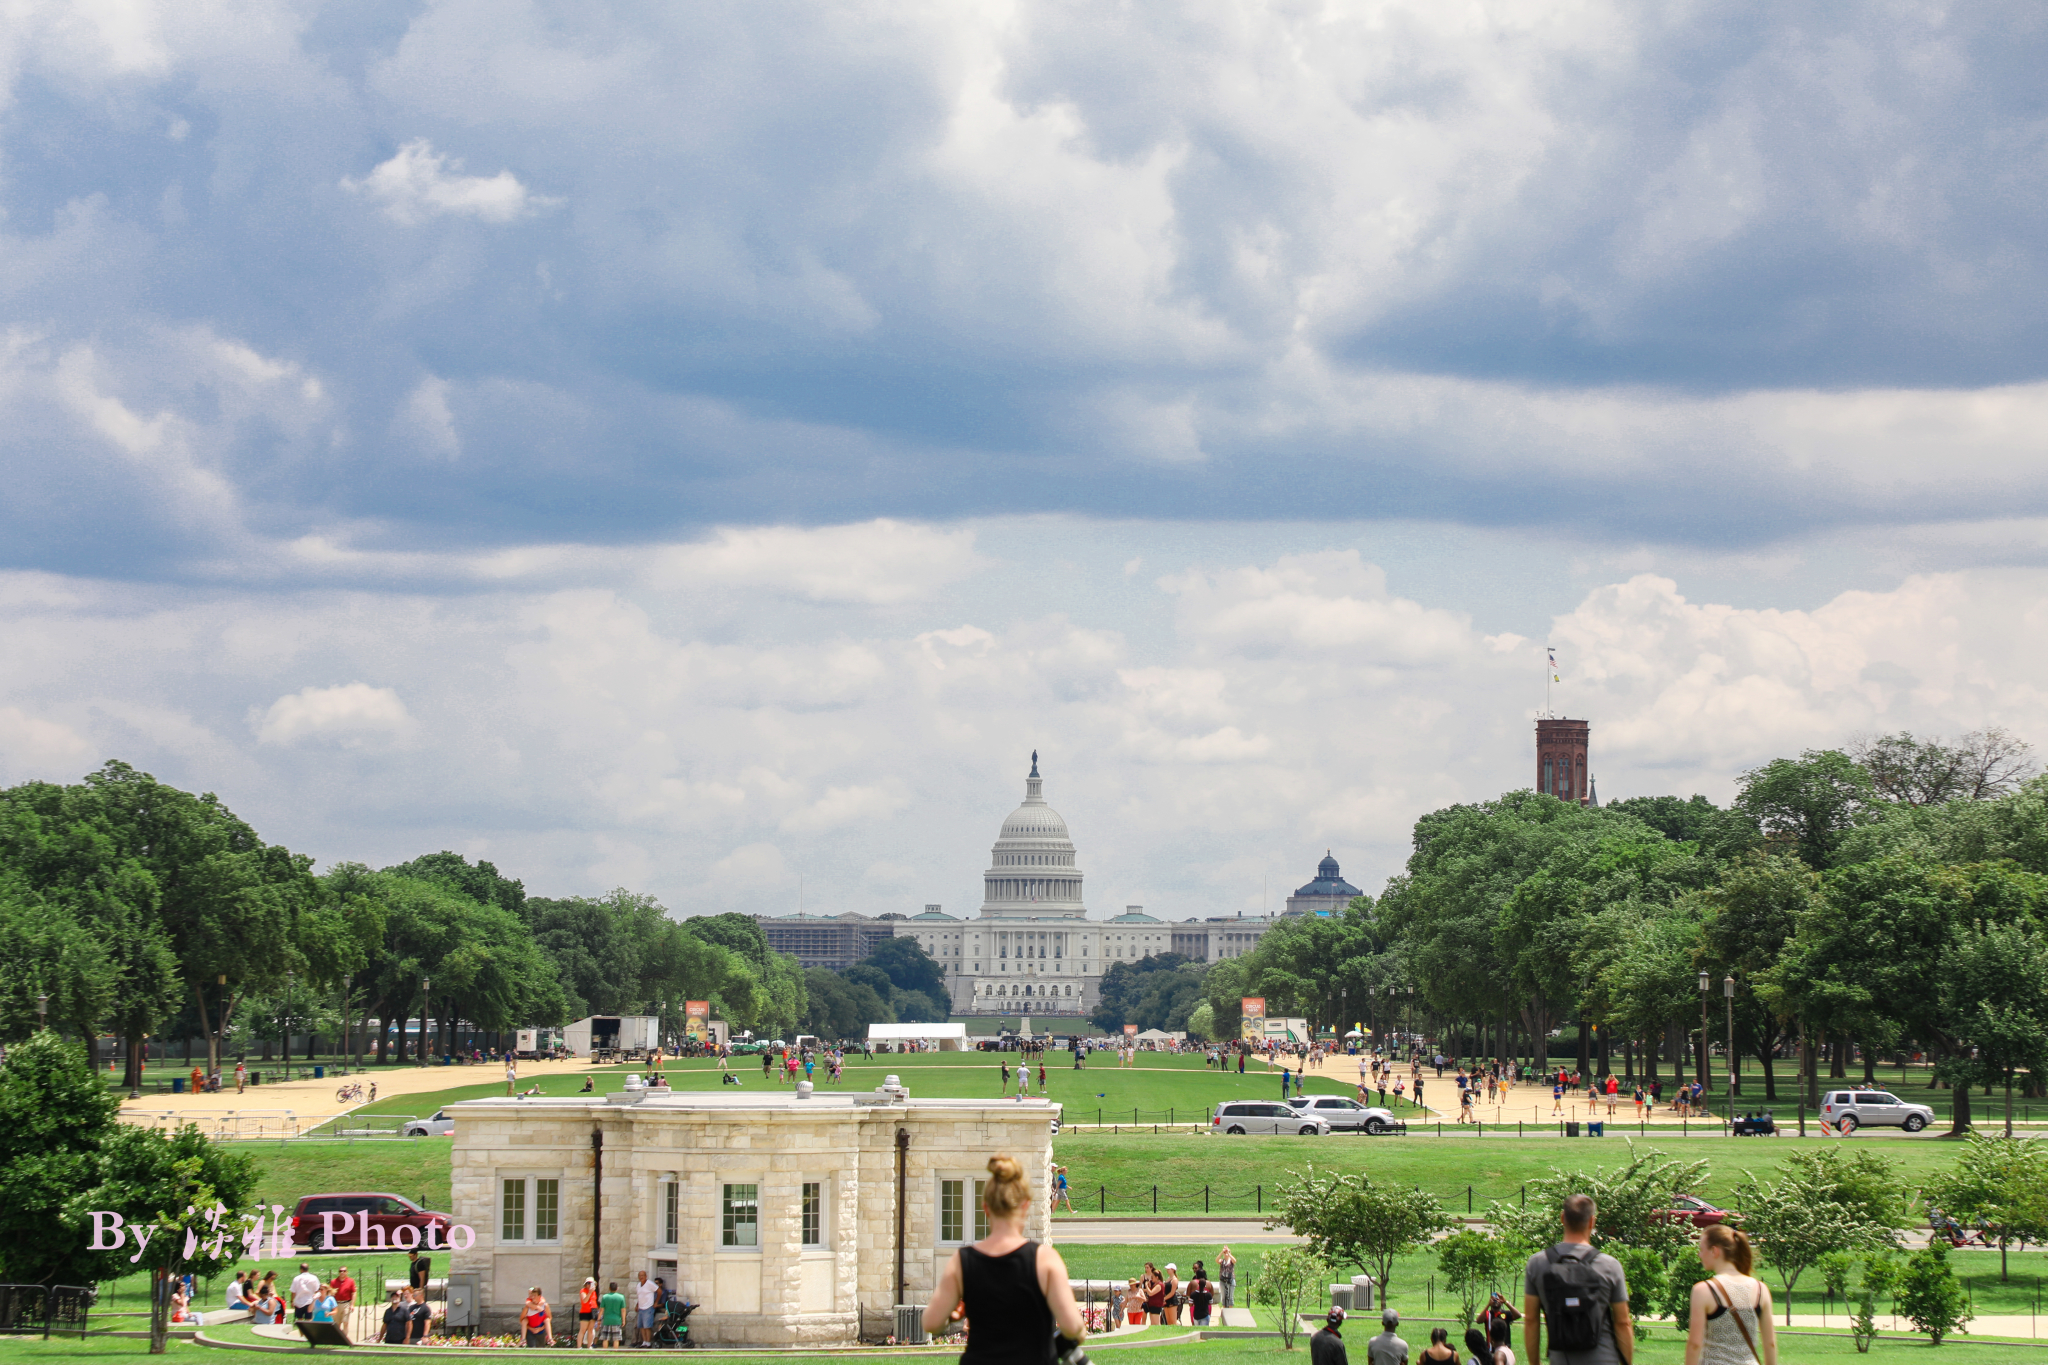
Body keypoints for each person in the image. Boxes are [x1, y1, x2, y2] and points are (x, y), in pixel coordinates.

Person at [920, 1153, 1087, 1362]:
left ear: (986, 1208)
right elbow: (1073, 1328)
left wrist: (955, 1311)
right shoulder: (1045, 1259)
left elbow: (931, 1322)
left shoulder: (963, 1261)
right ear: (1025, 1206)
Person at [1523, 1194, 1632, 1365]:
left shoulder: (1537, 1264)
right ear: (1592, 1222)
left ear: (1562, 1219)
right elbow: (1623, 1322)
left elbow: (1531, 1320)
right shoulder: (1609, 1265)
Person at [1685, 1224, 1776, 1365]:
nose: (1699, 1254)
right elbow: (1770, 1343)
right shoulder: (1760, 1289)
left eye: (1701, 1249)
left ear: (1714, 1251)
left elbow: (1695, 1344)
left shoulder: (1704, 1290)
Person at [599, 1280, 627, 1348]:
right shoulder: (621, 1297)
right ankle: (615, 1351)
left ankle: (605, 1352)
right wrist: (623, 1320)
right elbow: (623, 1310)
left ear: (609, 1288)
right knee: (616, 1338)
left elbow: (602, 1309)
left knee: (605, 1338)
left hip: (607, 1320)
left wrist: (599, 1319)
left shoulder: (605, 1297)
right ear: (617, 1288)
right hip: (617, 1320)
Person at [634, 1270, 657, 1346]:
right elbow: (640, 1296)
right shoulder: (638, 1285)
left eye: (642, 1275)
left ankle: (648, 1342)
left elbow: (659, 1291)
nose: (641, 1277)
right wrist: (637, 1305)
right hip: (641, 1307)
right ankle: (644, 1342)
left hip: (648, 1307)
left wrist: (656, 1302)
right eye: (640, 1276)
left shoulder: (650, 1283)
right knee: (641, 1326)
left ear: (646, 1276)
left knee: (647, 1326)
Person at [578, 1277, 600, 1348]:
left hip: (593, 1311)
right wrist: (589, 1292)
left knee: (591, 1329)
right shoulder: (583, 1291)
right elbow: (585, 1300)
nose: (589, 1285)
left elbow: (594, 1302)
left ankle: (589, 1345)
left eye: (591, 1283)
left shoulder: (594, 1292)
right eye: (588, 1283)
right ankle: (579, 1346)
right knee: (583, 1329)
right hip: (585, 1311)